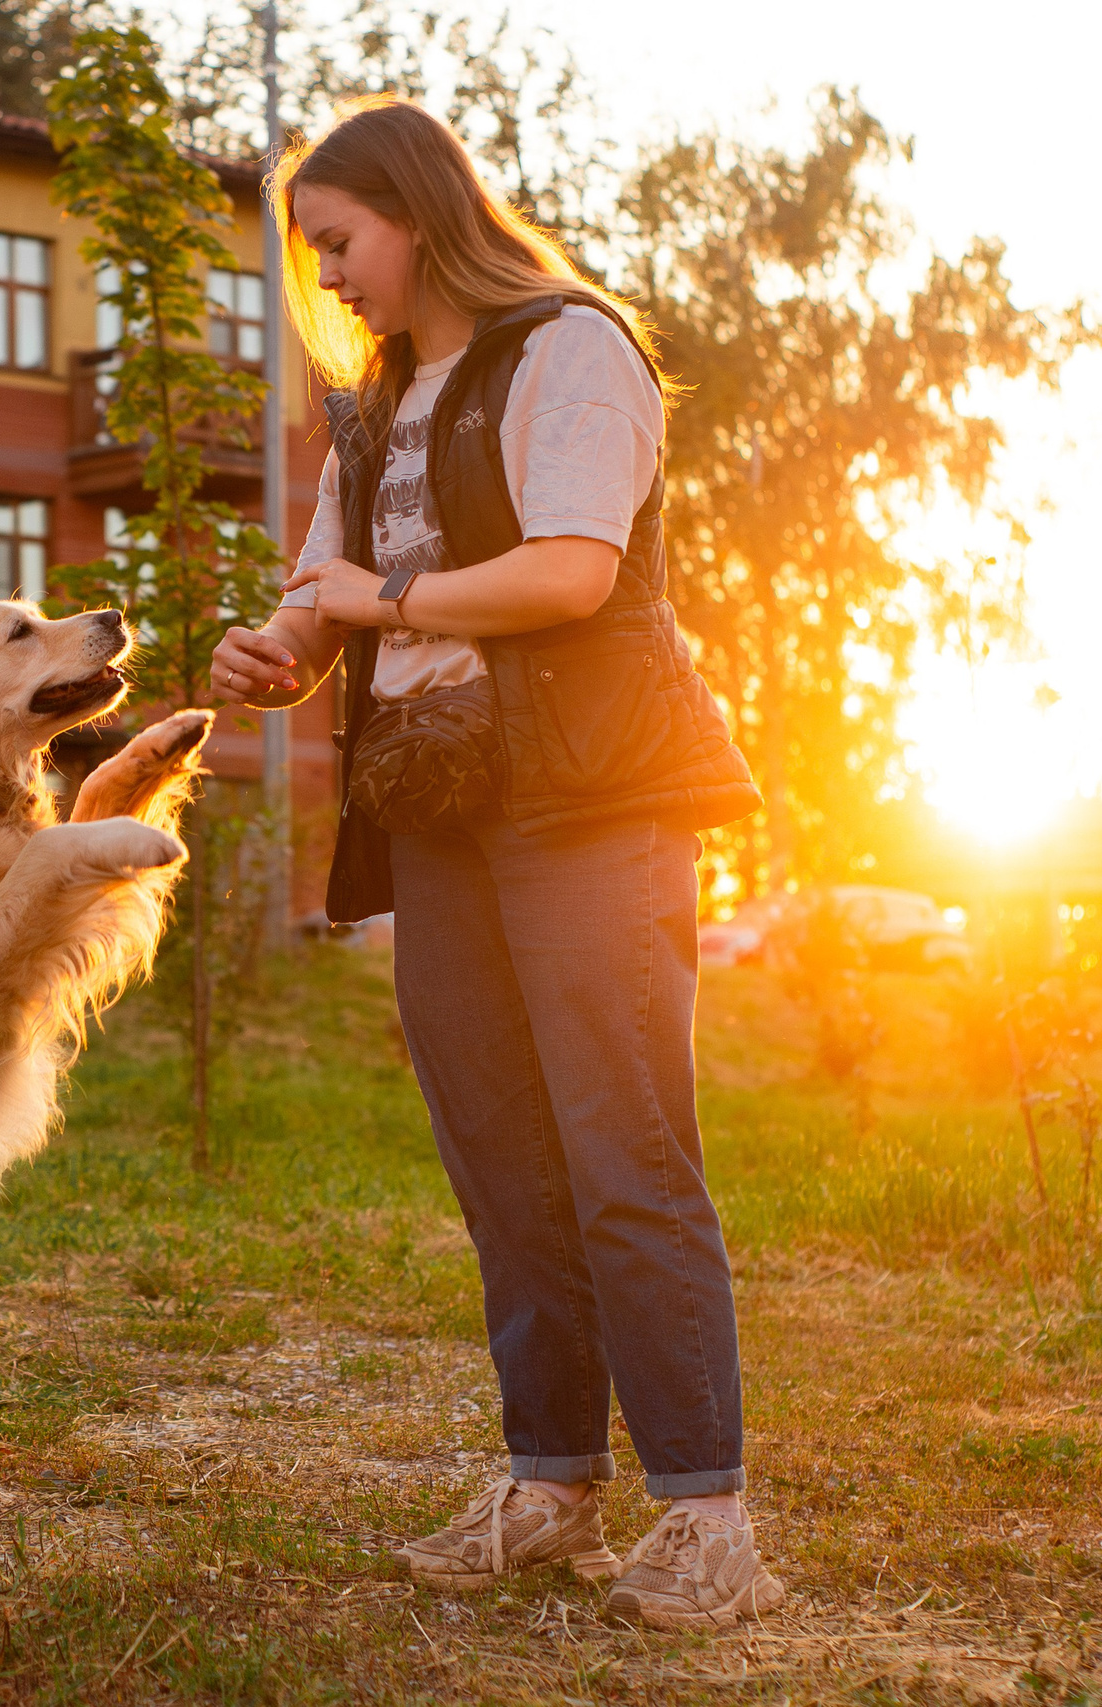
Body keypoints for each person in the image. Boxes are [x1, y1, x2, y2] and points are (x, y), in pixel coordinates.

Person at [211, 97, 780, 1633]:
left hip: (589, 800)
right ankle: (548, 1488)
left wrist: (369, 595)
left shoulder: (568, 349)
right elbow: (331, 599)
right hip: (437, 806)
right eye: (311, 252)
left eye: (338, 241)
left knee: (624, 1153)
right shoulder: (383, 398)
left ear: (418, 211)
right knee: (504, 1161)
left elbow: (566, 573)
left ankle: (707, 1517)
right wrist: (279, 647)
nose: (325, 278)